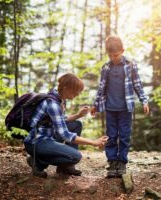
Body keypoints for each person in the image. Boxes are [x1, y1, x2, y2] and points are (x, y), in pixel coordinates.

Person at [24, 73, 108, 177]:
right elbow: (65, 135)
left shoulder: (60, 98)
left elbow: (61, 120)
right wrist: (93, 142)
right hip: (36, 142)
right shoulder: (53, 104)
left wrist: (78, 115)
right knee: (75, 156)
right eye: (75, 91)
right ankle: (38, 162)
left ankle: (65, 167)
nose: (77, 94)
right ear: (65, 88)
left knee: (76, 124)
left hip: (49, 135)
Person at [91, 35, 149, 178]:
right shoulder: (106, 67)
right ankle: (112, 162)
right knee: (111, 135)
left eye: (116, 55)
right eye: (111, 56)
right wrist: (96, 105)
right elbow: (101, 88)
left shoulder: (130, 65)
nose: (114, 58)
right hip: (110, 108)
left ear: (122, 50)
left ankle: (122, 162)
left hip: (125, 109)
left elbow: (137, 84)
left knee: (124, 135)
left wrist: (144, 100)